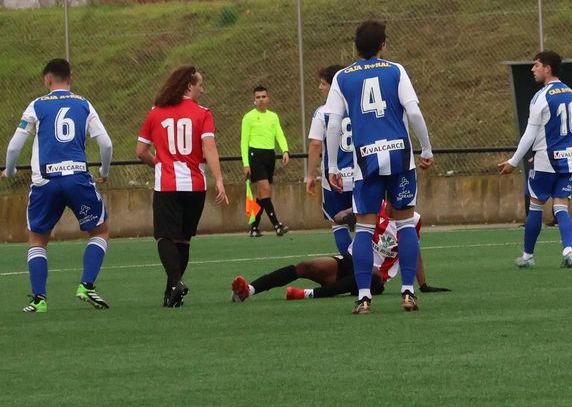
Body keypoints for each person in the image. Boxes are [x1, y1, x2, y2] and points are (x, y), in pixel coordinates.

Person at [324, 20, 433, 315]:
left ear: (356, 47)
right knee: (406, 222)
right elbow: (413, 111)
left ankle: (363, 298)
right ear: (383, 45)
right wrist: (426, 147)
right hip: (399, 155)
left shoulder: (343, 77)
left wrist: (333, 164)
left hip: (365, 159)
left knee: (363, 228)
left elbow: (333, 123)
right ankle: (408, 292)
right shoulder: (395, 70)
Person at [3, 58, 114, 313]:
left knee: (37, 239)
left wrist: (9, 171)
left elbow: (13, 147)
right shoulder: (84, 104)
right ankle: (86, 285)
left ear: (47, 80)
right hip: (77, 178)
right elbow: (106, 144)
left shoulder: (37, 105)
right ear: (71, 78)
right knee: (99, 231)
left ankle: (39, 299)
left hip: (45, 182)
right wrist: (104, 172)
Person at [137, 66, 229, 307]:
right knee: (183, 239)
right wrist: (218, 179)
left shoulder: (156, 113)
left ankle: (176, 282)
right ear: (189, 86)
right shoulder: (203, 113)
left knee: (164, 236)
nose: (202, 89)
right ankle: (171, 294)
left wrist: (158, 163)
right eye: (200, 85)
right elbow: (209, 147)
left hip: (167, 184)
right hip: (195, 185)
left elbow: (140, 151)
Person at [231, 206, 450, 301]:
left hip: (375, 278)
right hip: (349, 261)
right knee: (305, 266)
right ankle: (249, 290)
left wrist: (423, 286)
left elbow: (414, 252)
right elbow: (336, 217)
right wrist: (348, 218)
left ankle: (306, 294)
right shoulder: (373, 206)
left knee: (372, 277)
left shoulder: (413, 220)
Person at [499, 50, 572, 268]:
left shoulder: (541, 96)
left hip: (547, 160)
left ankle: (527, 257)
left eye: (536, 65)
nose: (532, 69)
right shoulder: (571, 93)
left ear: (548, 68)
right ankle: (568, 250)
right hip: (570, 158)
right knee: (561, 207)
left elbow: (530, 134)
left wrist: (513, 161)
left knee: (536, 206)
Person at [305, 64, 355, 254]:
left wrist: (309, 175)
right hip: (360, 175)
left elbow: (316, 144)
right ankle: (369, 264)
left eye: (323, 84)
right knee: (367, 223)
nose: (320, 87)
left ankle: (351, 264)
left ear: (333, 85)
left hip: (335, 178)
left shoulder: (323, 112)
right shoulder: (356, 107)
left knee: (337, 222)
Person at [241, 84, 291, 237]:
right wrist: (246, 163)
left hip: (269, 155)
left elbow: (279, 134)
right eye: (258, 97)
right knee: (265, 191)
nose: (261, 100)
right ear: (254, 100)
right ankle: (277, 225)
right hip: (255, 155)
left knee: (263, 195)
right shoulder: (248, 117)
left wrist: (285, 150)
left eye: (263, 97)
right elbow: (244, 141)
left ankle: (254, 227)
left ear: (268, 98)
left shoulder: (273, 116)